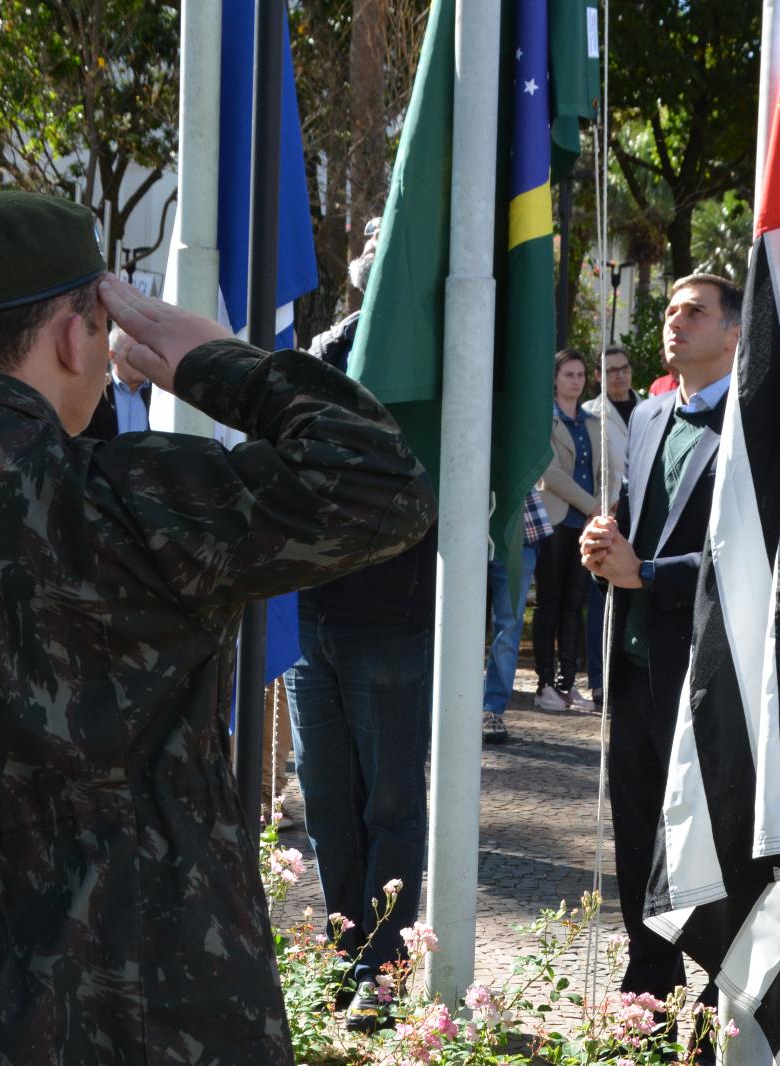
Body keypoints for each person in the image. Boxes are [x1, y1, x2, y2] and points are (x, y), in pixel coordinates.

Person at [0, 190, 436, 1062]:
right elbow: (382, 486)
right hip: (134, 1015)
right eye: (98, 324)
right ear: (72, 335)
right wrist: (216, 362)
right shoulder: (132, 499)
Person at [283, 213, 438, 1003]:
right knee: (327, 804)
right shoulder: (323, 356)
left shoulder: (446, 359)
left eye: (396, 249)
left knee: (392, 805)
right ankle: (345, 956)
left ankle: (382, 973)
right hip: (314, 615)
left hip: (395, 614)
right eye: (371, 250)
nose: (381, 262)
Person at [580, 272, 740, 1000]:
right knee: (638, 824)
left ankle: (719, 987)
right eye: (671, 310)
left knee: (706, 830)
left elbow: (752, 551)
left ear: (735, 332)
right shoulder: (646, 416)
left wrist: (649, 572)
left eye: (695, 313)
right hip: (635, 663)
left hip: (708, 668)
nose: (675, 322)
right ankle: (648, 979)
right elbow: (633, 526)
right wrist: (601, 546)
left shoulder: (754, 422)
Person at [534, 349, 602, 711]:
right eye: (568, 375)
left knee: (575, 606)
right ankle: (544, 684)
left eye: (580, 375)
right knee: (549, 603)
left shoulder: (592, 421)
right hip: (557, 519)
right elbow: (550, 471)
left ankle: (567, 684)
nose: (575, 381)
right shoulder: (547, 420)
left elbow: (603, 467)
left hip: (586, 524)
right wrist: (590, 503)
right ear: (555, 379)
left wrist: (600, 508)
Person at [580, 345, 637, 703]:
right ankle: (599, 680)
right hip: (604, 514)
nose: (619, 375)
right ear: (599, 376)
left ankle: (625, 677)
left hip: (639, 513)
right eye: (611, 370)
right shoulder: (590, 413)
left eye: (624, 368)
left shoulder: (648, 407)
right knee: (600, 601)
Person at [482, 488, 553, 743]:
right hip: (464, 528)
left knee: (508, 626)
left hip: (518, 533)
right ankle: (454, 707)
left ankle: (492, 710)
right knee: (459, 627)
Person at [81, 325, 155, 439]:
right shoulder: (93, 394)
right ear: (113, 356)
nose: (141, 358)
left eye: (145, 351)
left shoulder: (160, 394)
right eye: (132, 351)